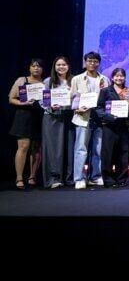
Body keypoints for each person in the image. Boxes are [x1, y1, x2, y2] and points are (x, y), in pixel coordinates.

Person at [71, 51, 110, 189]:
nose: (92, 63)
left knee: (98, 150)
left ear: (99, 63)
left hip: (99, 118)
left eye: (95, 61)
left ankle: (95, 176)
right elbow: (72, 99)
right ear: (85, 62)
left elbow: (108, 99)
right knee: (81, 149)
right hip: (83, 117)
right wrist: (76, 109)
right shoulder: (77, 79)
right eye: (89, 61)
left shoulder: (105, 79)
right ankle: (79, 178)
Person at [8, 59, 45, 188]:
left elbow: (48, 100)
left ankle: (32, 177)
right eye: (33, 66)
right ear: (29, 68)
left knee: (37, 148)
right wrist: (23, 103)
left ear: (42, 69)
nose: (36, 68)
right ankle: (19, 178)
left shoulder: (45, 83)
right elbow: (11, 98)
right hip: (24, 116)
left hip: (40, 117)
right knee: (23, 147)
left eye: (39, 66)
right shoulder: (22, 80)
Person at [42, 56, 75, 189]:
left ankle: (68, 178)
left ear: (68, 66)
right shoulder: (48, 81)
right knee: (53, 148)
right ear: (54, 67)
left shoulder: (74, 80)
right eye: (58, 65)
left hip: (69, 116)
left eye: (64, 64)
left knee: (69, 148)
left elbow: (78, 98)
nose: (61, 67)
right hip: (52, 117)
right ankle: (53, 178)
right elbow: (43, 100)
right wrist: (50, 106)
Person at [96, 68, 129, 187]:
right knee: (108, 153)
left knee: (123, 153)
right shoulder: (106, 91)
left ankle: (121, 179)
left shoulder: (128, 91)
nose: (119, 78)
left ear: (124, 78)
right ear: (112, 77)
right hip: (110, 126)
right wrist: (109, 117)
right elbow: (99, 108)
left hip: (124, 126)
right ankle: (108, 180)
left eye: (121, 76)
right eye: (116, 76)